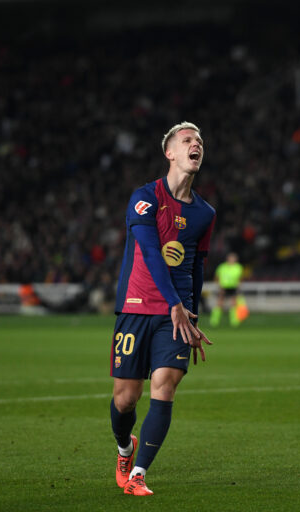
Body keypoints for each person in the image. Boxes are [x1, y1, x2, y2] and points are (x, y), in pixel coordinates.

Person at [109, 122, 216, 496]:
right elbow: (151, 253)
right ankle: (126, 449)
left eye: (199, 141)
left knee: (164, 387)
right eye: (187, 140)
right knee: (125, 399)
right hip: (138, 308)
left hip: (177, 316)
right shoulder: (145, 198)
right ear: (169, 152)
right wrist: (174, 304)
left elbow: (197, 266)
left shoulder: (205, 213)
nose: (196, 144)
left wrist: (192, 313)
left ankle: (138, 474)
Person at [210, 252, 244, 327]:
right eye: (230, 258)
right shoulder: (222, 267)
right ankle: (214, 320)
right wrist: (219, 285)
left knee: (234, 303)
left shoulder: (238, 267)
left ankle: (234, 321)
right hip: (223, 287)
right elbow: (217, 277)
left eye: (233, 258)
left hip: (233, 287)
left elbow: (240, 278)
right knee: (220, 303)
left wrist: (238, 286)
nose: (232, 260)